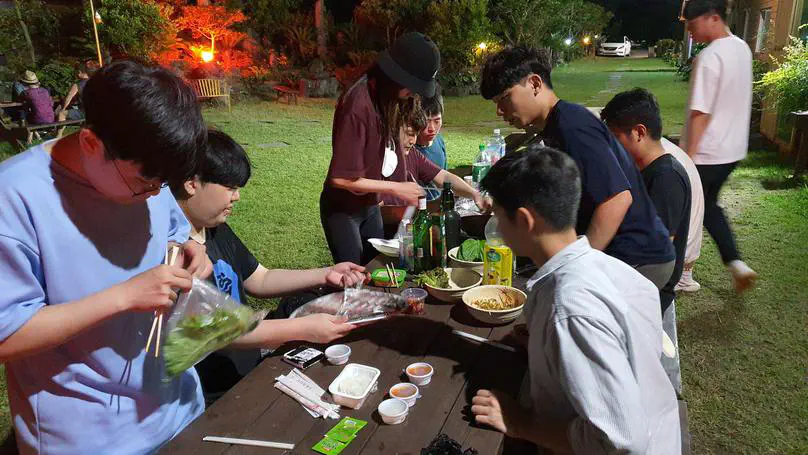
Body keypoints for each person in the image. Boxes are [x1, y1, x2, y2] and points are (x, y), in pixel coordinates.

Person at [0, 60, 214, 454]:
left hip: (177, 406)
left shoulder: (145, 169)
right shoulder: (13, 200)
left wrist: (192, 251)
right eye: (145, 184)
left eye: (162, 184)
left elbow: (173, 233)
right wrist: (124, 297)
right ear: (90, 144)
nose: (155, 194)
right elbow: (7, 335)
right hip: (91, 435)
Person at [470, 145, 681, 453]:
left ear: (526, 221)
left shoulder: (570, 309)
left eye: (500, 218)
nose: (498, 229)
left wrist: (521, 423)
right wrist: (550, 351)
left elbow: (621, 443)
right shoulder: (611, 268)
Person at [172, 129, 363, 402]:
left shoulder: (213, 228)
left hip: (251, 361)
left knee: (312, 299)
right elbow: (216, 332)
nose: (236, 197)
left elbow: (259, 279)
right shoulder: (176, 253)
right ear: (192, 183)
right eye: (230, 188)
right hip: (220, 388)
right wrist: (302, 328)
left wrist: (326, 273)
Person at [480, 46, 676, 290]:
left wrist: (575, 269)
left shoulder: (573, 125)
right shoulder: (554, 125)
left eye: (505, 98)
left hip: (637, 257)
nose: (500, 111)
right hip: (624, 252)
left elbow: (617, 199)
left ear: (534, 83)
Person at [601, 88, 700, 395]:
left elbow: (652, 257)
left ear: (639, 132)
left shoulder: (666, 178)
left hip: (650, 291)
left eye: (615, 137)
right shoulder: (644, 170)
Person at [321, 32, 440, 265]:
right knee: (354, 275)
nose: (413, 94)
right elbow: (341, 179)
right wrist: (397, 189)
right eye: (412, 87)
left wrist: (404, 187)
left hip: (370, 204)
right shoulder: (358, 103)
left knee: (378, 265)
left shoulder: (390, 98)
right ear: (395, 75)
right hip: (343, 209)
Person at [682, 0, 757, 293]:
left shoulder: (710, 57)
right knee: (708, 208)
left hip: (706, 152)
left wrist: (687, 158)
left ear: (713, 18)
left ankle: (684, 274)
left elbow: (701, 112)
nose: (690, 31)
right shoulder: (742, 48)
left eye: (693, 24)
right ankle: (736, 264)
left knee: (687, 211)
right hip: (733, 151)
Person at [381, 104, 486, 208]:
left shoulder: (413, 153)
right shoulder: (381, 159)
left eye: (416, 135)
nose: (413, 141)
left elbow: (443, 176)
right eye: (409, 133)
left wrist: (475, 194)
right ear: (393, 130)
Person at [415, 88, 447, 200]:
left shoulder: (439, 141)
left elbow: (445, 179)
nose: (432, 129)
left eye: (437, 121)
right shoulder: (409, 150)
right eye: (426, 122)